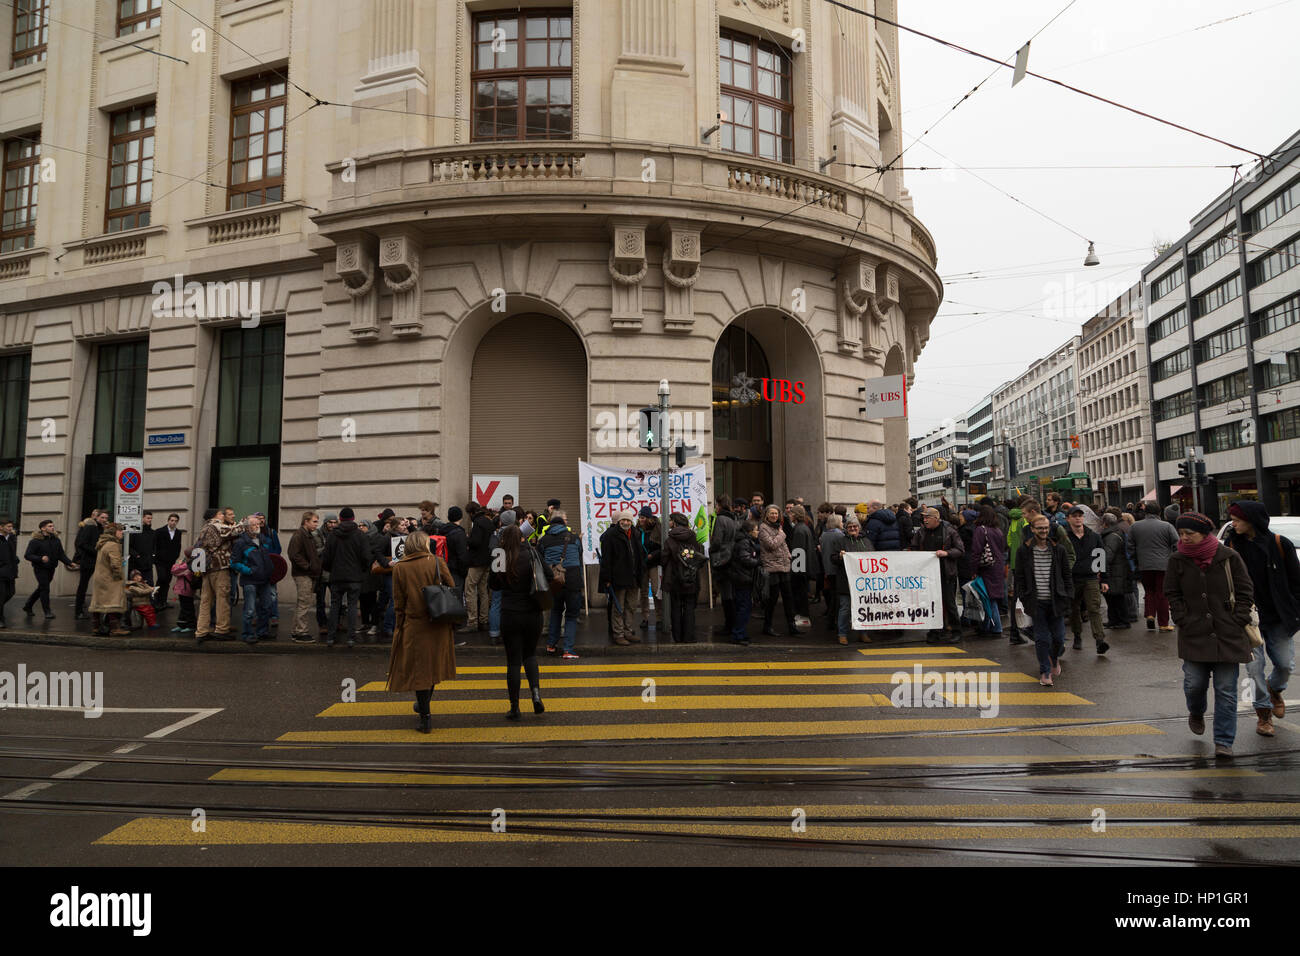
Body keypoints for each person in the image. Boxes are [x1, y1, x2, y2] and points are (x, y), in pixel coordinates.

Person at [1165, 511, 1254, 758]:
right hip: (1194, 632)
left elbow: (1246, 590)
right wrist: (1181, 617)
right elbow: (1171, 592)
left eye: (1189, 533)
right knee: (1194, 685)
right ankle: (1196, 711)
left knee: (1226, 690)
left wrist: (1239, 619)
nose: (1184, 538)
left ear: (1204, 533)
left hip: (1228, 634)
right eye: (1181, 533)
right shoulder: (1177, 559)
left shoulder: (1229, 557)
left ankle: (1224, 741)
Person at [1224, 501, 1300, 738]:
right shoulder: (1232, 544)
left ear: (1251, 520)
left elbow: (1296, 582)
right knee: (1254, 669)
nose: (1233, 523)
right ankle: (1264, 715)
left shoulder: (1280, 543)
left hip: (1278, 616)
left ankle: (1275, 689)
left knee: (1286, 664)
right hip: (1247, 617)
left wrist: (1295, 609)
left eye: (1236, 519)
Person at [388, 530, 458, 734]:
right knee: (432, 667)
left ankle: (425, 716)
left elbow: (398, 601)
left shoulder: (400, 568)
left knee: (420, 671)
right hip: (438, 623)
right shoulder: (436, 561)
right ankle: (425, 703)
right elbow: (452, 587)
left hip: (414, 624)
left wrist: (399, 625)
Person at [490, 525, 551, 720]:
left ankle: (515, 707)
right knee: (530, 656)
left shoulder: (500, 555)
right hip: (533, 612)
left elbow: (493, 584)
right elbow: (549, 576)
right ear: (522, 538)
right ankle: (536, 695)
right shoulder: (532, 553)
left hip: (510, 613)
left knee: (513, 662)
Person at [1013, 514, 1074, 686]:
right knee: (1041, 638)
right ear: (1032, 529)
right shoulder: (1024, 550)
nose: (1044, 531)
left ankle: (1054, 658)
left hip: (1057, 599)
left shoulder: (1058, 549)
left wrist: (1069, 594)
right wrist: (1024, 597)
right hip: (1036, 601)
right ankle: (1045, 672)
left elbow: (1066, 574)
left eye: (1046, 528)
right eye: (1040, 528)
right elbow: (1019, 576)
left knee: (1059, 638)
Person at [910, 507, 966, 643]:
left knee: (950, 603)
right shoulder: (921, 532)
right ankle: (935, 631)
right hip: (928, 575)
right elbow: (914, 547)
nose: (924, 520)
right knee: (931, 603)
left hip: (946, 573)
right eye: (923, 518)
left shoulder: (949, 531)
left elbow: (960, 550)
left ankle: (956, 631)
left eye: (927, 518)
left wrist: (946, 553)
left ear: (936, 518)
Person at [194, 508, 248, 642]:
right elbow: (233, 531)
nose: (223, 516)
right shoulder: (216, 525)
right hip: (220, 567)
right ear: (215, 516)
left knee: (206, 601)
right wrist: (244, 523)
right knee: (222, 598)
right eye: (220, 514)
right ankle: (222, 629)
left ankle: (201, 631)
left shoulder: (204, 528)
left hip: (207, 568)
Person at [321, 506, 370, 647]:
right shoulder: (360, 535)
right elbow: (367, 557)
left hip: (336, 576)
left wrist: (330, 569)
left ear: (340, 519)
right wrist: (362, 570)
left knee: (335, 606)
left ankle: (331, 637)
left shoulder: (332, 535)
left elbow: (326, 558)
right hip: (354, 576)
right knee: (353, 606)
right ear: (353, 518)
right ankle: (351, 638)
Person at [1064, 505, 1110, 655]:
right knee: (1074, 609)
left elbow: (1101, 557)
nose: (1078, 518)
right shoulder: (1064, 537)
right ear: (1068, 519)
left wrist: (1104, 579)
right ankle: (1077, 635)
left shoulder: (1093, 536)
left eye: (1080, 516)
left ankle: (1100, 640)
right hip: (1072, 578)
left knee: (1094, 608)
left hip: (1090, 577)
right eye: (1074, 516)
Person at [1130, 502, 1179, 632]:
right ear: (1159, 512)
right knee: (1162, 593)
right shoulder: (1167, 526)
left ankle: (1150, 614)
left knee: (1149, 591)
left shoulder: (1135, 526)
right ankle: (1163, 623)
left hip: (1144, 565)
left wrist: (1137, 560)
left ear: (1145, 512)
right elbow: (1177, 545)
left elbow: (1130, 546)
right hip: (1163, 565)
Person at [540, 510, 583, 659]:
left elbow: (539, 560)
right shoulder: (574, 538)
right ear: (564, 524)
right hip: (572, 580)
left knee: (556, 611)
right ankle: (568, 650)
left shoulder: (544, 540)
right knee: (571, 615)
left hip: (554, 581)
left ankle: (551, 645)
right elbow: (579, 554)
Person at [598, 510, 644, 646]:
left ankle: (628, 632)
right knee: (618, 607)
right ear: (619, 521)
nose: (626, 523)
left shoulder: (635, 533)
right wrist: (607, 579)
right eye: (623, 520)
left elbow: (640, 555)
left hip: (634, 578)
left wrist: (642, 572)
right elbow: (607, 560)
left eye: (628, 520)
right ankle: (618, 634)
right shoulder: (610, 535)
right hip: (618, 578)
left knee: (631, 606)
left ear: (631, 522)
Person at [230, 514, 275, 645]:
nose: (258, 526)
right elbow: (234, 562)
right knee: (249, 610)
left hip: (265, 580)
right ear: (247, 528)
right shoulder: (241, 543)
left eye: (258, 524)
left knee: (267, 606)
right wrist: (249, 571)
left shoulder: (263, 539)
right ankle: (247, 634)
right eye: (254, 524)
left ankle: (262, 632)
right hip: (250, 581)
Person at [662, 512, 706, 644]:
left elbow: (664, 559)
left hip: (674, 577)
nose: (669, 522)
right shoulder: (692, 537)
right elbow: (698, 555)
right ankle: (688, 636)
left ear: (675, 523)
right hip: (691, 577)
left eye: (670, 520)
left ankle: (677, 637)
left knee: (675, 607)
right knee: (689, 607)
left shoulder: (669, 539)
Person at [21, 519, 78, 620]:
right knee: (45, 588)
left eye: (52, 526)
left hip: (51, 568)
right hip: (40, 568)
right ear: (43, 528)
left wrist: (70, 563)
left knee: (42, 588)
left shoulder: (56, 540)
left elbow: (61, 554)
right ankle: (47, 612)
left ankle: (28, 605)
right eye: (50, 526)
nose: (52, 528)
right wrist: (40, 558)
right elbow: (28, 555)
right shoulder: (35, 541)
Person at [756, 505, 798, 638]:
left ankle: (792, 626)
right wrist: (781, 534)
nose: (774, 516)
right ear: (766, 515)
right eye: (772, 513)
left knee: (788, 597)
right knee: (772, 600)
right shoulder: (763, 528)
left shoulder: (777, 527)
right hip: (772, 567)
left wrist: (788, 555)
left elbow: (783, 544)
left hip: (784, 565)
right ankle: (767, 626)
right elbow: (772, 544)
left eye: (776, 513)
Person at [834, 514, 874, 645]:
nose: (852, 528)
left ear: (859, 527)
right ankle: (842, 634)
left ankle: (863, 633)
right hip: (846, 581)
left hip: (863, 583)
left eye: (855, 526)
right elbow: (832, 558)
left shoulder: (866, 541)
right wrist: (839, 556)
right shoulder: (840, 541)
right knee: (845, 608)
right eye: (850, 526)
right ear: (846, 528)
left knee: (863, 608)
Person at [971, 505, 1007, 636]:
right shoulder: (998, 530)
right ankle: (987, 626)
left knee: (987, 598)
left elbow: (976, 551)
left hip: (986, 568)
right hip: (997, 566)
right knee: (991, 597)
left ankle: (995, 627)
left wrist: (973, 570)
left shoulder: (981, 530)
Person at [287, 511, 322, 644]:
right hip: (303, 574)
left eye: (316, 522)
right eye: (314, 521)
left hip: (307, 573)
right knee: (304, 603)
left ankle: (296, 631)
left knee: (302, 603)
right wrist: (307, 567)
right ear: (306, 521)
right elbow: (293, 554)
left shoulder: (308, 535)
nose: (316, 524)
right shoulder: (299, 535)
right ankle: (301, 631)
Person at [90, 522, 129, 636]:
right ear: (114, 532)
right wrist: (119, 576)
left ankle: (96, 627)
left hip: (100, 577)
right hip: (109, 578)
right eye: (120, 531)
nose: (122, 533)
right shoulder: (113, 545)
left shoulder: (102, 543)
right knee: (113, 603)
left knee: (99, 603)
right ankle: (114, 628)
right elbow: (115, 564)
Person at [728, 520, 762, 646]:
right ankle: (738, 634)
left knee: (744, 607)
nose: (757, 532)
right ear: (749, 531)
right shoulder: (744, 542)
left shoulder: (746, 541)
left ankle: (741, 633)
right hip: (742, 579)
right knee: (743, 607)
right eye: (756, 529)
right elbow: (745, 559)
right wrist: (759, 561)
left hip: (742, 578)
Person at [709, 495, 738, 638]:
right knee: (730, 594)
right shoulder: (733, 518)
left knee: (726, 595)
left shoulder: (720, 519)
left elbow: (717, 541)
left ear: (719, 505)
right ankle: (731, 624)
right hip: (732, 558)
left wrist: (710, 550)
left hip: (722, 559)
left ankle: (729, 626)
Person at [463, 501, 493, 632]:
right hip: (488, 560)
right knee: (483, 591)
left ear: (471, 512)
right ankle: (484, 620)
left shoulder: (478, 523)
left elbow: (475, 542)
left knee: (469, 589)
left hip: (477, 562)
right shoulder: (488, 521)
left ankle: (472, 622)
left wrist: (467, 539)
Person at [1100, 513, 1133, 630]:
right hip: (1117, 570)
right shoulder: (1115, 533)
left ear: (1105, 523)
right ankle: (1114, 620)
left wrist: (1101, 567)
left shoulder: (1112, 536)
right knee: (1112, 597)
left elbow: (1108, 555)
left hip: (1115, 571)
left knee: (1117, 597)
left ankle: (1122, 621)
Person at [788, 505, 818, 628]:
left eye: (791, 513)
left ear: (795, 515)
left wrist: (795, 571)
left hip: (800, 569)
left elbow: (798, 552)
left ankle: (802, 616)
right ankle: (803, 615)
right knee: (802, 593)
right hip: (803, 567)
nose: (789, 515)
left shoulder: (799, 530)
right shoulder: (803, 528)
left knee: (799, 594)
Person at [632, 507, 661, 632]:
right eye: (640, 517)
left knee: (656, 591)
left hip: (654, 563)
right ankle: (645, 618)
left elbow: (662, 547)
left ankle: (660, 618)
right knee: (643, 593)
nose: (640, 519)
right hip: (642, 565)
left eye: (643, 517)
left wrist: (652, 555)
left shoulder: (657, 528)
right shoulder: (637, 530)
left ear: (649, 518)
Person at [73, 509, 105, 619]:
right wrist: (96, 551)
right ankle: (78, 611)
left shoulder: (103, 529)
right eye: (102, 517)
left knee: (101, 585)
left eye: (106, 518)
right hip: (88, 561)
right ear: (96, 518)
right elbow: (81, 544)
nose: (104, 520)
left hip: (100, 562)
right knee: (83, 585)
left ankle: (99, 609)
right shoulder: (90, 527)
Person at [819, 514, 846, 633]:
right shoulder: (840, 535)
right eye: (841, 521)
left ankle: (831, 620)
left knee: (832, 595)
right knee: (837, 598)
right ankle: (832, 620)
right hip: (837, 569)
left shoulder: (824, 535)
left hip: (827, 568)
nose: (843, 523)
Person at [313, 512, 338, 638]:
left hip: (334, 572)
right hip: (321, 573)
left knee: (337, 600)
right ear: (326, 523)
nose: (332, 525)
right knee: (320, 601)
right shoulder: (317, 534)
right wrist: (326, 547)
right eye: (330, 522)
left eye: (334, 522)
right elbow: (313, 552)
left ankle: (336, 623)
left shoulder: (338, 534)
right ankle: (322, 624)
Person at [153, 513, 183, 610]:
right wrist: (155, 557)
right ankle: (156, 600)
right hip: (160, 560)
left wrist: (176, 557)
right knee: (161, 578)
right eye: (172, 520)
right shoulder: (159, 531)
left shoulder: (178, 532)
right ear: (168, 521)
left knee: (167, 580)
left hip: (170, 561)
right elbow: (155, 545)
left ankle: (163, 601)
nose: (173, 522)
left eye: (175, 521)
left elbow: (178, 546)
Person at [439, 506, 470, 596]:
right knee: (456, 597)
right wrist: (464, 572)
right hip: (456, 571)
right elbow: (462, 556)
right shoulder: (459, 533)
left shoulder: (442, 530)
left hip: (443, 568)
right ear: (461, 517)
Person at [170, 547, 198, 634]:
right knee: (184, 608)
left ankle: (191, 625)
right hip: (183, 589)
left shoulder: (189, 564)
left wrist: (178, 564)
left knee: (188, 608)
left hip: (186, 589)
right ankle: (182, 624)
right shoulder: (189, 563)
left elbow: (174, 570)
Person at [129, 510, 157, 586]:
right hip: (136, 565)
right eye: (148, 518)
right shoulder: (134, 530)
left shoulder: (152, 532)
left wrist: (153, 556)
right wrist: (137, 555)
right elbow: (128, 546)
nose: (150, 520)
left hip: (148, 565)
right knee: (136, 586)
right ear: (142, 518)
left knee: (150, 585)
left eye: (151, 518)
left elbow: (154, 546)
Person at [0, 517, 18, 628]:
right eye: (8, 526)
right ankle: (0, 619)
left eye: (11, 526)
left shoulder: (12, 538)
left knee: (10, 593)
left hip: (11, 571)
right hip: (1, 572)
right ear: (1, 527)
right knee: (1, 596)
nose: (11, 528)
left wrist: (15, 560)